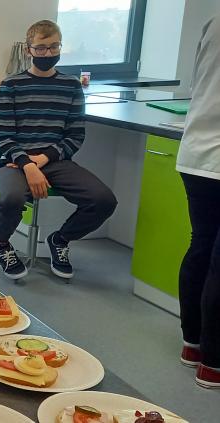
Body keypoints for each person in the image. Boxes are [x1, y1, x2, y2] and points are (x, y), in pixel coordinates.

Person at [0, 20, 117, 280]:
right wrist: (28, 165)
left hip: (56, 161)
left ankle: (60, 239)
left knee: (103, 200)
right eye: (41, 48)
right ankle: (2, 244)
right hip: (15, 161)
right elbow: (4, 136)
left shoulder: (71, 86)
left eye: (54, 47)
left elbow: (75, 136)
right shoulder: (11, 85)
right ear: (28, 50)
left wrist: (43, 159)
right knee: (11, 199)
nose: (48, 53)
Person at [176, 14, 220, 389]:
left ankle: (193, 345)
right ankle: (215, 362)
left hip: (196, 152)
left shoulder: (214, 20)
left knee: (202, 244)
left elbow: (197, 81)